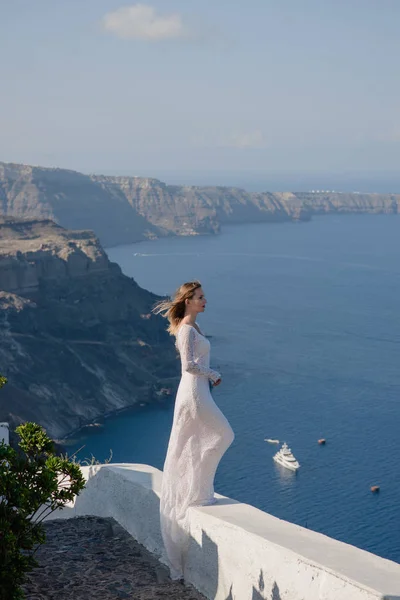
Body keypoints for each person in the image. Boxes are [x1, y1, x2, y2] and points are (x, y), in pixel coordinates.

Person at [153, 280, 234, 580]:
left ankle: (197, 488)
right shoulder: (187, 329)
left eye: (204, 297)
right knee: (224, 435)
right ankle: (198, 491)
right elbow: (188, 365)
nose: (205, 301)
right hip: (194, 393)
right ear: (187, 300)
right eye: (200, 297)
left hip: (199, 392)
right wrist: (213, 374)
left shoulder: (194, 328)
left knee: (204, 440)